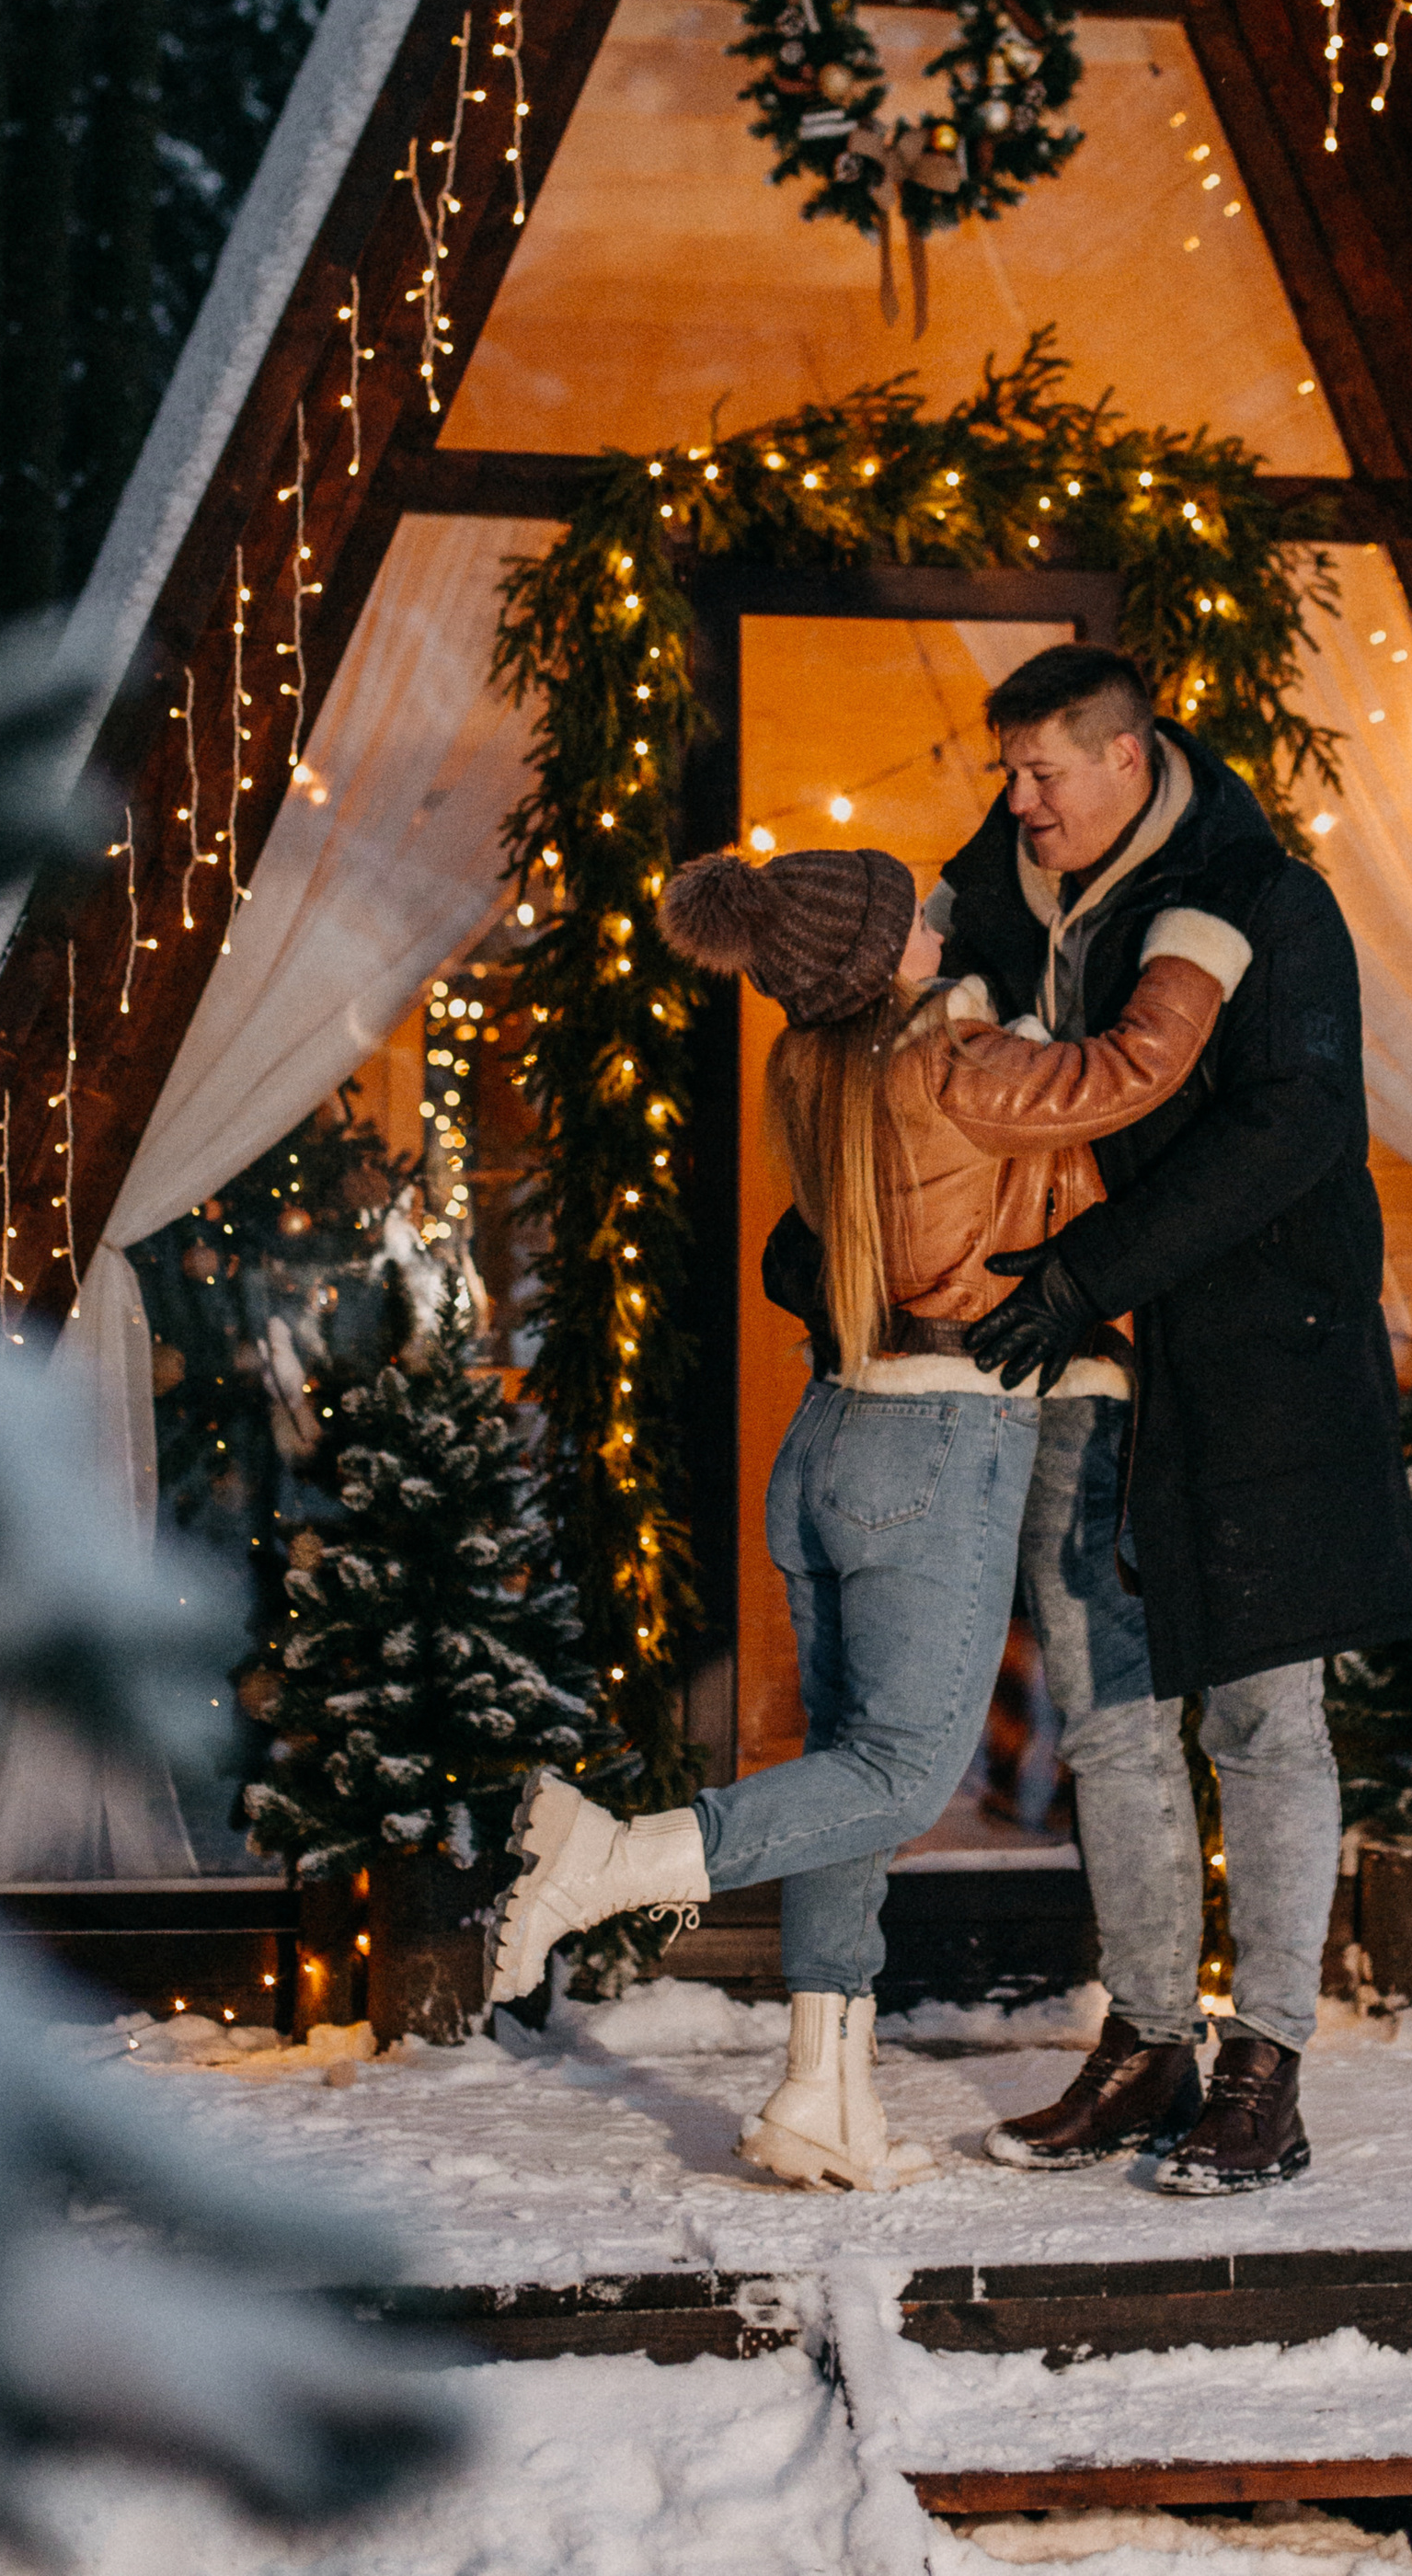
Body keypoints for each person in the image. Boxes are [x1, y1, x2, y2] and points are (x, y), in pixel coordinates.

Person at [484, 839, 1248, 2192]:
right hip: (939, 1438)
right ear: (881, 956)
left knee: (847, 1773)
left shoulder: (818, 1068)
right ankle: (611, 1856)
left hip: (834, 1431)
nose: (939, 922)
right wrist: (1196, 954)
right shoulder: (950, 1065)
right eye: (913, 917)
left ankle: (820, 2099)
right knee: (899, 1775)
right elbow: (1127, 1073)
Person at [934, 645, 1412, 2196]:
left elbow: (1296, 1127)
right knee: (1109, 1719)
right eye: (1008, 772)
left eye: (1044, 772)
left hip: (1257, 1358)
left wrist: (1090, 1272)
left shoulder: (1267, 902)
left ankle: (1265, 2066)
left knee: (1265, 1720)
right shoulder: (997, 904)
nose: (1020, 800)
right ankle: (1148, 2046)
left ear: (1128, 756)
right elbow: (923, 1080)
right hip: (1081, 1366)